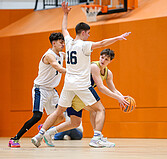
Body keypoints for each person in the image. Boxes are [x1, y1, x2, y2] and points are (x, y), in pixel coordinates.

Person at [31, 1, 130, 148]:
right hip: (81, 85)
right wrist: (118, 37)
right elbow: (102, 43)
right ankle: (97, 138)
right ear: (83, 32)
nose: (89, 35)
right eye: (88, 33)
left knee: (59, 111)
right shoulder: (84, 45)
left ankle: (39, 135)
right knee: (100, 109)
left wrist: (65, 14)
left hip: (68, 84)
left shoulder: (69, 42)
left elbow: (64, 29)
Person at [8, 32, 66, 148]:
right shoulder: (49, 55)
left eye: (63, 42)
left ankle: (43, 127)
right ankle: (15, 138)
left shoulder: (62, 54)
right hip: (41, 89)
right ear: (54, 43)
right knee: (37, 116)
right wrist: (72, 72)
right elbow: (57, 67)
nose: (63, 44)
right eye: (61, 42)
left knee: (60, 116)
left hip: (52, 90)